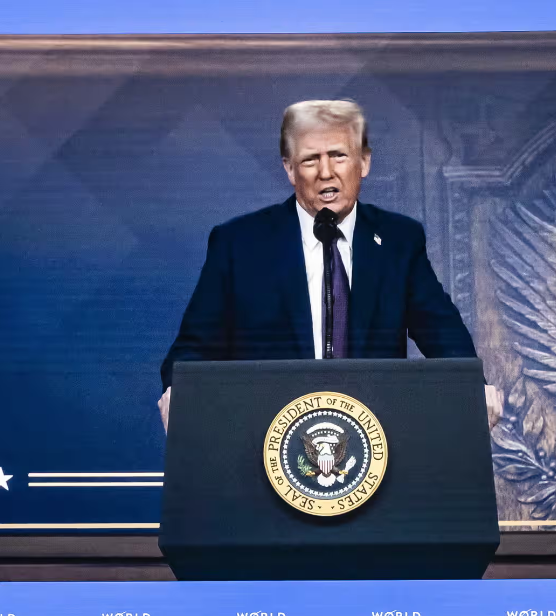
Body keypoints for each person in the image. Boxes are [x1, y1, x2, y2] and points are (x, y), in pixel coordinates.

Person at [156, 98, 476, 426]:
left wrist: (474, 386)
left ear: (364, 162)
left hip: (375, 437)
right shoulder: (239, 244)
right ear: (289, 168)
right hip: (265, 437)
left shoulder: (399, 241)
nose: (326, 172)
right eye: (310, 159)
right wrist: (180, 390)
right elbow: (193, 348)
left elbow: (442, 332)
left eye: (339, 155)